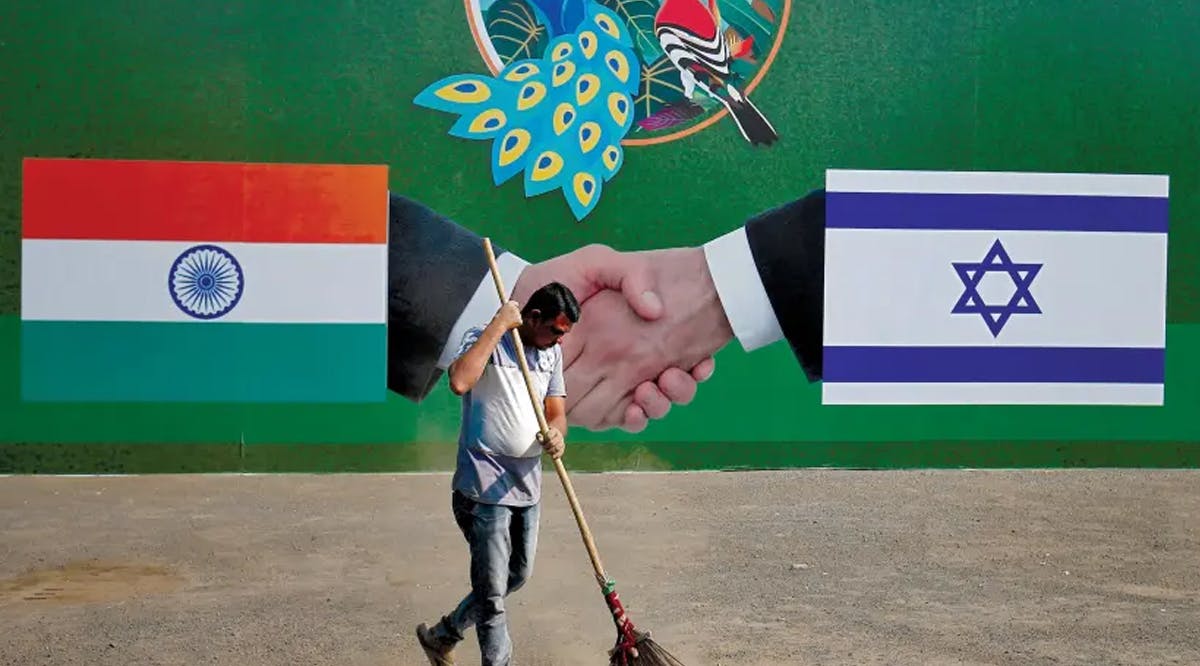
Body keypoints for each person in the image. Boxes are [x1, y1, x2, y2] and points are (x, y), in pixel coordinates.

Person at [415, 281, 580, 666]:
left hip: (526, 486)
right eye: (555, 330)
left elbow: (556, 412)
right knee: (491, 595)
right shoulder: (487, 339)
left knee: (516, 576)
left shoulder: (551, 355)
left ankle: (443, 636)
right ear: (533, 317)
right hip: (483, 488)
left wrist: (558, 435)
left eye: (564, 334)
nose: (559, 339)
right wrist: (498, 326)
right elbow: (459, 381)